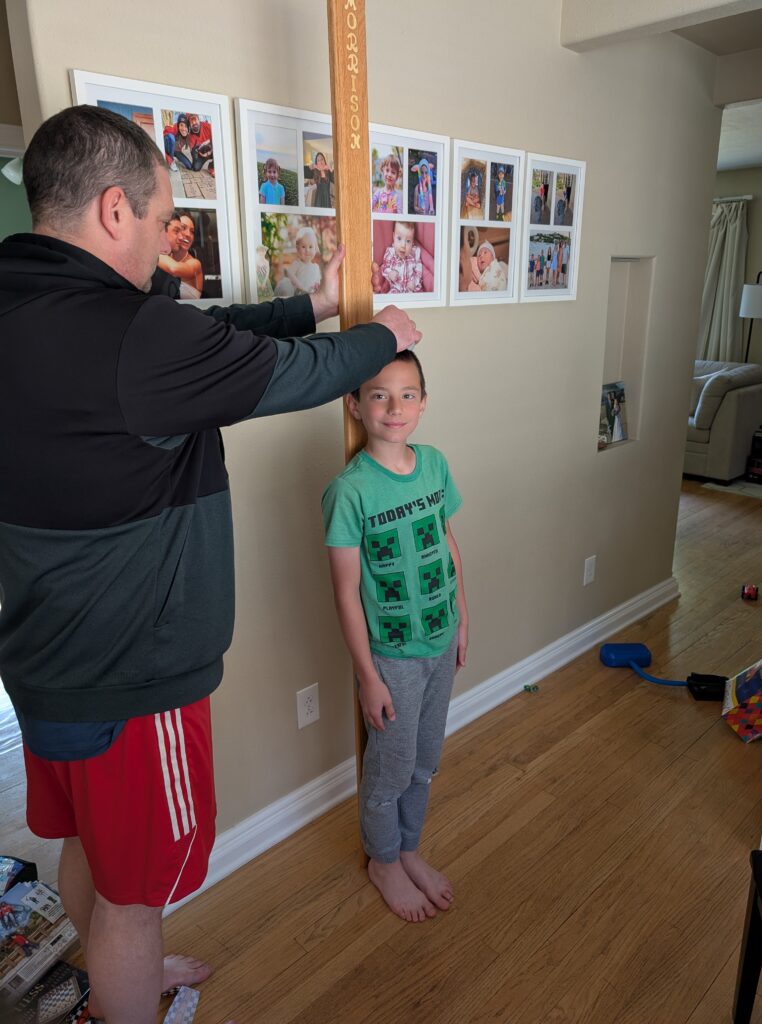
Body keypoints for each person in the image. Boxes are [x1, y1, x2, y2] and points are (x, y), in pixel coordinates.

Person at [0, 103, 421, 1024]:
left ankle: (126, 975)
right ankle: (130, 980)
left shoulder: (25, 301)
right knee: (135, 901)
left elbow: (206, 333)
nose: (163, 239)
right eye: (159, 218)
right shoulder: (131, 340)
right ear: (114, 210)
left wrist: (309, 305)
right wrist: (380, 333)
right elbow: (297, 374)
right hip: (131, 679)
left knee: (87, 846)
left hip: (40, 661)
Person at [321, 350, 469, 923]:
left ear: (423, 403)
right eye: (379, 395)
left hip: (441, 641)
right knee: (391, 769)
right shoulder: (350, 491)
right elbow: (345, 593)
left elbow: (447, 542)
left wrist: (463, 619)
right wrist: (368, 677)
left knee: (425, 761)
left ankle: (408, 850)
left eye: (407, 394)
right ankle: (382, 862)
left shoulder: (434, 465)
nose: (394, 407)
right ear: (354, 405)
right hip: (394, 661)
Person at [157, 211, 203, 297]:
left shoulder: (195, 263)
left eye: (192, 231)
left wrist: (151, 253)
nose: (188, 234)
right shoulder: (165, 259)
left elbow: (174, 268)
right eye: (182, 228)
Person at [274, 225, 321, 297]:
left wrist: (317, 288)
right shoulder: (298, 263)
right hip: (300, 294)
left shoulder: (316, 267)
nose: (307, 250)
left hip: (311, 296)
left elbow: (318, 282)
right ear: (297, 249)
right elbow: (290, 273)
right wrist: (301, 287)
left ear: (315, 248)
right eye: (303, 247)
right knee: (287, 285)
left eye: (310, 247)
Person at [380, 221, 423, 294]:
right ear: (393, 236)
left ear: (412, 242)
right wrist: (390, 273)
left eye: (408, 241)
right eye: (399, 238)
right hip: (395, 288)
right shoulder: (390, 252)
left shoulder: (414, 253)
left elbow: (418, 271)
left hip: (410, 289)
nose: (403, 245)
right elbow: (384, 267)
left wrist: (414, 282)